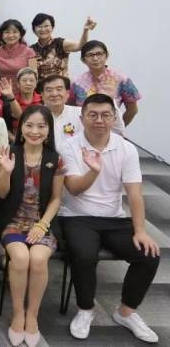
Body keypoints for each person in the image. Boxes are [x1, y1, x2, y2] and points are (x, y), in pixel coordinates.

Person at [58, 94, 161, 343]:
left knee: (149, 254)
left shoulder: (126, 148)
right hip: (77, 216)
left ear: (114, 118)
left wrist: (140, 230)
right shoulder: (69, 146)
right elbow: (74, 188)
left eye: (105, 115)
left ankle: (126, 312)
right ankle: (85, 309)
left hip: (114, 218)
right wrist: (94, 172)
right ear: (82, 118)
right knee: (84, 254)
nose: (99, 120)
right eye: (92, 115)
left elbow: (135, 194)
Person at [0, 105, 64, 347]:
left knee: (38, 259)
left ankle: (32, 315)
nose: (35, 131)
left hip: (41, 223)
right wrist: (5, 172)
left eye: (41, 126)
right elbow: (1, 194)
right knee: (21, 258)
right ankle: (18, 314)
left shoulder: (55, 159)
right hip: (12, 222)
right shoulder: (9, 153)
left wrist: (42, 225)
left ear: (49, 130)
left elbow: (56, 199)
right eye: (29, 125)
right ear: (21, 128)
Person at [72, 40, 139, 134]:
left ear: (106, 55)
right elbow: (71, 109)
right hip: (85, 134)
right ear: (83, 60)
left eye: (99, 54)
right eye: (90, 55)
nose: (95, 58)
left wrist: (117, 129)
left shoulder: (121, 79)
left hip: (112, 134)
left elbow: (132, 110)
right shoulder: (77, 83)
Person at [30, 13, 96, 79]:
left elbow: (81, 46)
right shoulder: (31, 50)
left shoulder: (60, 43)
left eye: (46, 26)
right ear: (34, 30)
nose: (43, 29)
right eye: (39, 26)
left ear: (52, 27)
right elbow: (33, 74)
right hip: (42, 85)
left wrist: (85, 30)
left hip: (62, 84)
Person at [42, 74, 83, 151]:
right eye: (49, 90)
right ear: (42, 95)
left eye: (59, 89)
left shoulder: (80, 113)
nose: (54, 94)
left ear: (67, 93)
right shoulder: (35, 116)